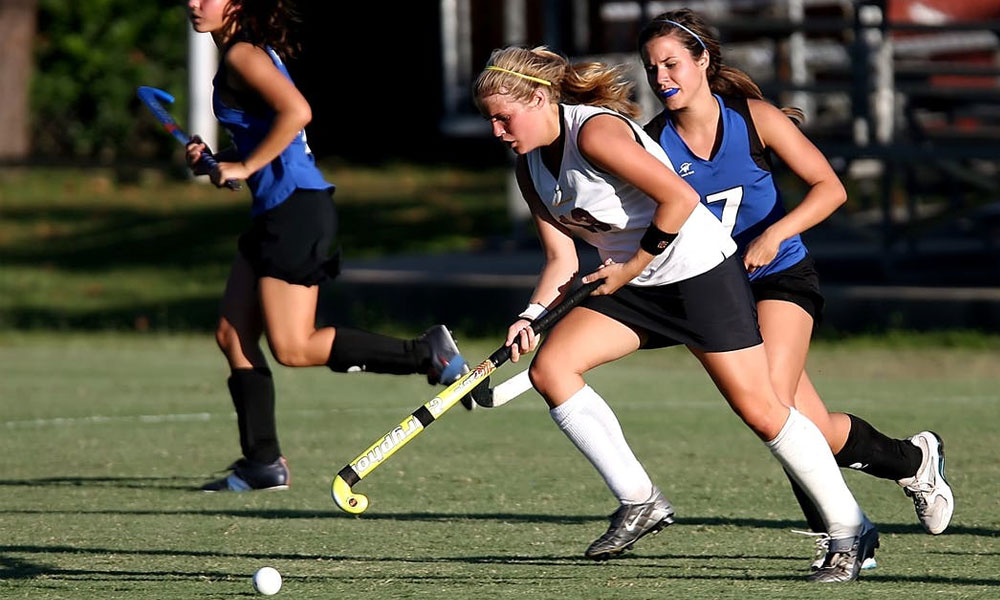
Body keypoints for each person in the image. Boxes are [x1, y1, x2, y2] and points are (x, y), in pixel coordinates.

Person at [474, 45, 877, 583]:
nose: (498, 131)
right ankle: (639, 500)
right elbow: (561, 259)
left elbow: (680, 198)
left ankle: (852, 529)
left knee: (762, 409)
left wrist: (630, 265)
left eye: (505, 117)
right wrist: (531, 315)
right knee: (552, 369)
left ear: (543, 98)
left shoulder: (595, 133)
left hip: (697, 274)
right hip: (636, 283)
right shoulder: (530, 168)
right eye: (491, 121)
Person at [636, 9, 954, 564]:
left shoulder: (755, 119)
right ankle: (911, 460)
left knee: (773, 406)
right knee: (811, 427)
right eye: (651, 67)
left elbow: (830, 189)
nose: (662, 78)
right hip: (718, 291)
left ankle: (846, 536)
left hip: (782, 275)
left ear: (703, 60)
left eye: (672, 63)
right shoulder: (653, 143)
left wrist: (773, 235)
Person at [184, 0, 469, 492]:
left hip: (294, 209)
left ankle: (425, 354)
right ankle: (262, 463)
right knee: (232, 334)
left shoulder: (242, 56)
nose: (194, 2)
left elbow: (298, 113)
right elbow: (270, 135)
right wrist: (219, 160)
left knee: (293, 347)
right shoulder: (242, 54)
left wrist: (245, 169)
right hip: (276, 209)